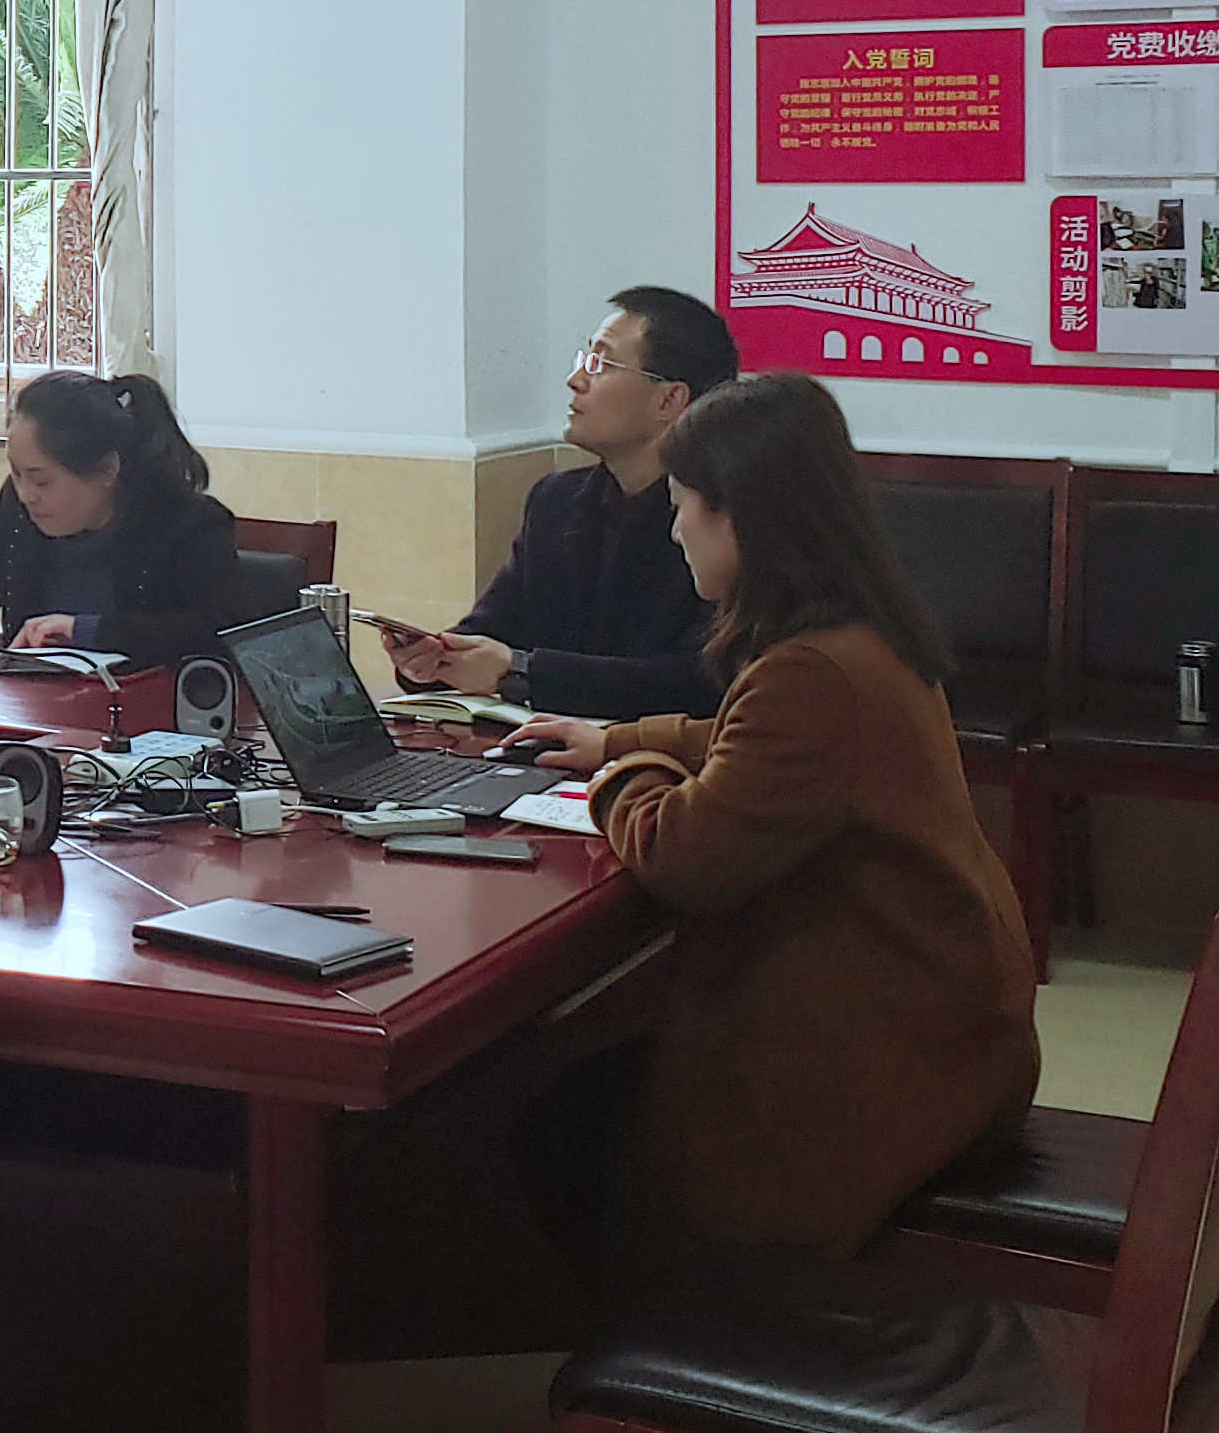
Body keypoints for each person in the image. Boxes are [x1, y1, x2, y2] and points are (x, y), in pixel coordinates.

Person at [509, 375, 1037, 1255]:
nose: (675, 530)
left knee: (543, 1117)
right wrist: (617, 738)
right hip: (947, 1031)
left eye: (682, 506)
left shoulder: (809, 673)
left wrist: (622, 772)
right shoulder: (861, 633)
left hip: (883, 1070)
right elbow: (747, 740)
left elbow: (684, 857)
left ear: (742, 517)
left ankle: (670, 1321)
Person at [378, 286, 733, 720]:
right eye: (584, 359)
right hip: (541, 748)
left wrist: (519, 672)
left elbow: (699, 682)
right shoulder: (556, 500)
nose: (575, 379)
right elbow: (493, 628)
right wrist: (434, 659)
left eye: (601, 364)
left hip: (661, 753)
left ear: (669, 400)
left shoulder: (721, 518)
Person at [0, 368, 244, 664]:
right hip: (30, 696)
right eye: (16, 474)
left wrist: (86, 630)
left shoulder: (189, 524)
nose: (26, 494)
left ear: (107, 469)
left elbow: (220, 630)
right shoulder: (18, 510)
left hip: (142, 698)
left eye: (41, 480)